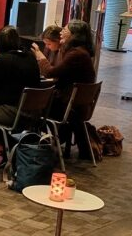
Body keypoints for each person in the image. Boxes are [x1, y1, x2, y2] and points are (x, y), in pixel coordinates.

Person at [37, 20, 98, 150]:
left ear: (75, 35)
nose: (62, 32)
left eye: (66, 30)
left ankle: (46, 138)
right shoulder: (76, 52)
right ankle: (56, 135)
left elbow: (50, 72)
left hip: (71, 106)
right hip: (75, 103)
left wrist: (40, 56)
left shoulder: (76, 54)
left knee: (33, 104)